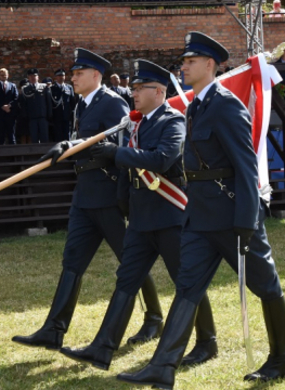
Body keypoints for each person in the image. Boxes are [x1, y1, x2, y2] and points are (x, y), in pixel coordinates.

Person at [117, 32, 285, 389]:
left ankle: (281, 358)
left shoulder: (226, 105)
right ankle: (163, 366)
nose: (183, 67)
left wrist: (247, 219)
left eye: (190, 61)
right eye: (183, 62)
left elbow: (245, 165)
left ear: (210, 65)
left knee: (264, 284)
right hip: (199, 214)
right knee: (187, 286)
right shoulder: (197, 104)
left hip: (231, 214)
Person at [58, 59, 217, 371]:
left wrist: (116, 153)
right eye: (132, 88)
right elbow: (130, 170)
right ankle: (102, 348)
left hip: (169, 216)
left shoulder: (173, 121)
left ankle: (206, 342)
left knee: (186, 282)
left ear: (158, 91)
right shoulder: (137, 123)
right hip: (141, 219)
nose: (133, 93)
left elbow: (161, 159)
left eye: (139, 88)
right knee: (125, 282)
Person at [12, 48, 165, 351]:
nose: (73, 78)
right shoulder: (81, 104)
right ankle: (54, 329)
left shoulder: (112, 103)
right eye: (73, 73)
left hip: (108, 195)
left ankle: (153, 319)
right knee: (72, 261)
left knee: (131, 259)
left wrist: (75, 144)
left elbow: (125, 140)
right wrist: (69, 144)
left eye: (79, 73)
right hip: (84, 194)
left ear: (96, 75)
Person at [18, 68, 53, 143]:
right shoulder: (25, 89)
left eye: (34, 76)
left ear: (38, 77)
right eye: (30, 76)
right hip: (32, 118)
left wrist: (49, 114)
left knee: (45, 139)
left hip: (43, 117)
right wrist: (25, 116)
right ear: (28, 78)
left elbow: (48, 102)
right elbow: (24, 104)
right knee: (34, 139)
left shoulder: (44, 87)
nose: (33, 77)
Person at [0, 68, 19, 145]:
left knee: (11, 135)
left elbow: (16, 98)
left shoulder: (13, 86)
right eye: (2, 75)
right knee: (0, 135)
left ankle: (13, 154)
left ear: (8, 75)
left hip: (10, 113)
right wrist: (2, 106)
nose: (4, 77)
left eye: (5, 75)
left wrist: (9, 106)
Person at [50, 68, 76, 142]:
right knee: (58, 135)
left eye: (63, 76)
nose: (61, 77)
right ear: (56, 77)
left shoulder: (69, 87)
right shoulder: (52, 89)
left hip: (66, 115)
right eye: (59, 76)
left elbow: (72, 101)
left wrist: (72, 113)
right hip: (56, 116)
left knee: (67, 134)